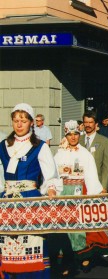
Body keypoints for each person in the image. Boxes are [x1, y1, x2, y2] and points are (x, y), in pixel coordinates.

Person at [0, 103, 60, 278]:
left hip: (30, 201)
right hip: (8, 202)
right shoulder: (3, 145)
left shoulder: (40, 146)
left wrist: (51, 190)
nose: (19, 124)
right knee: (8, 243)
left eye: (23, 120)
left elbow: (51, 175)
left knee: (33, 242)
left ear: (31, 122)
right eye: (16, 120)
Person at [54, 120, 108, 274]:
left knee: (79, 227)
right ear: (65, 135)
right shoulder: (60, 153)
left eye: (75, 134)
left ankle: (82, 258)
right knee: (64, 228)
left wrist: (96, 192)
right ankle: (66, 262)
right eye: (70, 134)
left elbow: (91, 175)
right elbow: (54, 175)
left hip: (79, 192)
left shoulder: (85, 153)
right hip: (63, 193)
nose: (73, 137)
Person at [80, 110, 108, 191]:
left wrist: (104, 188)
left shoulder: (105, 141)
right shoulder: (78, 140)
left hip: (97, 185)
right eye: (86, 122)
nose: (88, 125)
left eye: (90, 122)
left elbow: (106, 168)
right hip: (79, 186)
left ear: (96, 124)